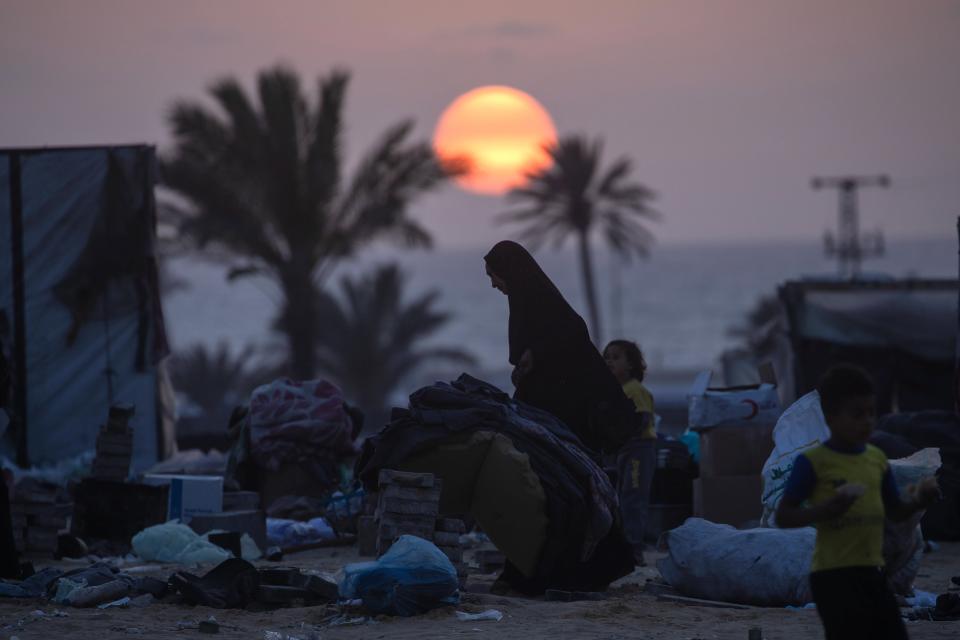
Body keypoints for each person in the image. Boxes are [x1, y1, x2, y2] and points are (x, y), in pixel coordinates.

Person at [775, 365, 940, 640]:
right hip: (832, 577)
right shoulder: (813, 462)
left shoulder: (876, 459)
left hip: (872, 573)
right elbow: (784, 515)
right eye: (856, 414)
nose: (867, 422)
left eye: (871, 413)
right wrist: (825, 510)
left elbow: (895, 512)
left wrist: (919, 500)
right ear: (830, 417)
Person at [483, 240, 636, 456]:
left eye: (493, 275)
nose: (493, 284)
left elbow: (570, 337)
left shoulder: (549, 309)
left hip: (566, 423)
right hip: (549, 421)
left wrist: (535, 353)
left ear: (509, 271)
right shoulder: (527, 307)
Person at [603, 339, 656, 565]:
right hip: (624, 451)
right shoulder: (616, 392)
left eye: (616, 357)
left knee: (633, 498)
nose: (609, 362)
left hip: (638, 450)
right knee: (622, 498)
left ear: (632, 364)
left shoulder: (635, 390)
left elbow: (642, 420)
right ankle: (624, 545)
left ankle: (634, 549)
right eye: (607, 357)